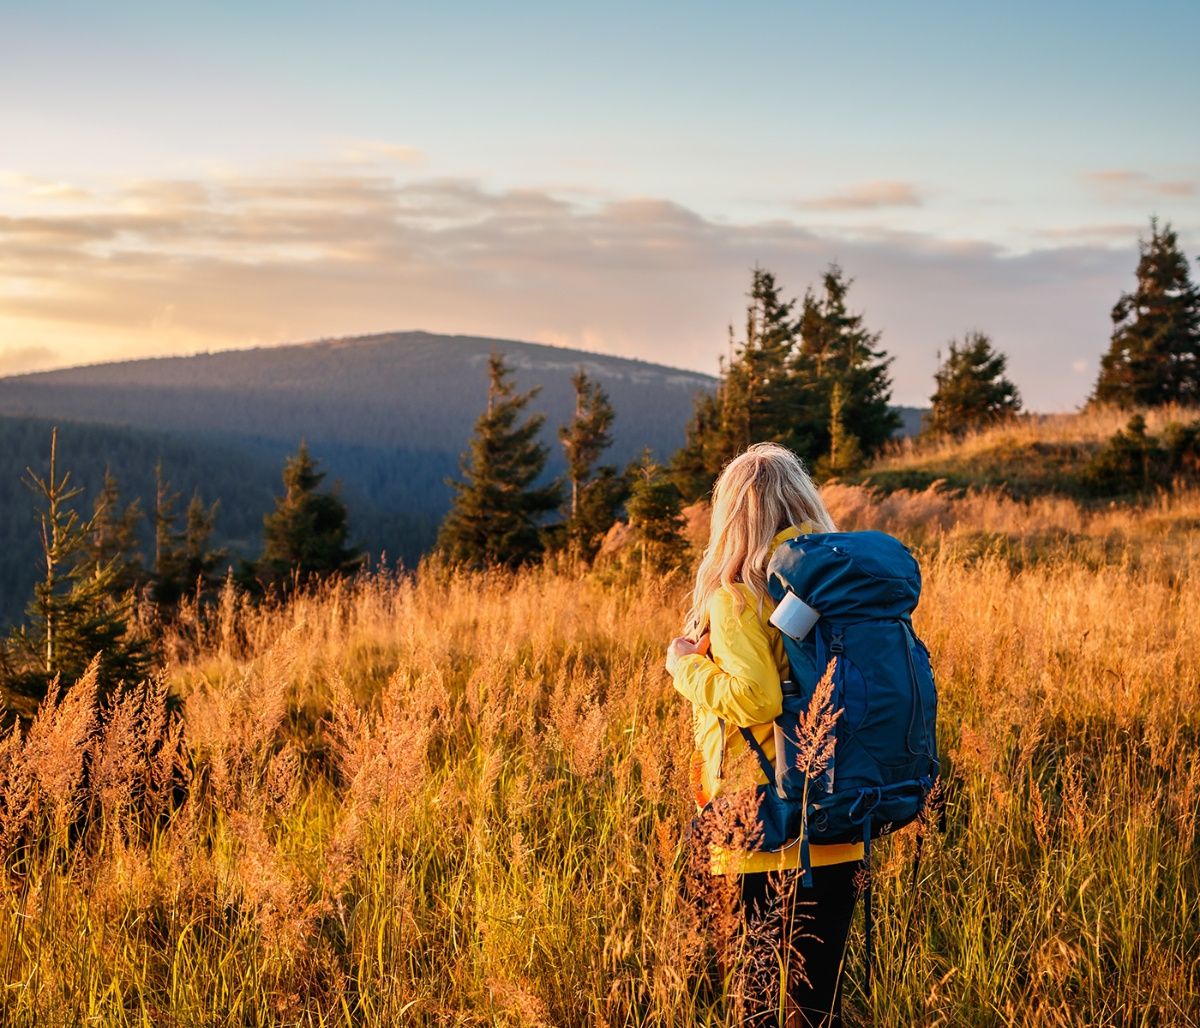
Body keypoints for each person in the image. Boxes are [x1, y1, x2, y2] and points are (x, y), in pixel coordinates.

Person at [665, 442, 865, 1027]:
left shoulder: (736, 599)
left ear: (731, 517)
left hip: (763, 829)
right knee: (815, 1009)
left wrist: (686, 666)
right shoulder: (840, 597)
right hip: (842, 818)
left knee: (757, 1009)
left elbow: (757, 698)